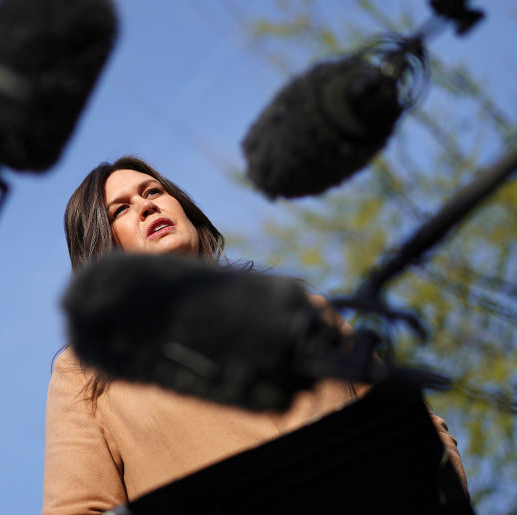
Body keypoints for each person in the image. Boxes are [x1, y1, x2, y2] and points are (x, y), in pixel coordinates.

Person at [42, 156, 467, 514]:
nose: (146, 206)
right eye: (121, 209)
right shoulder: (86, 371)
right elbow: (80, 509)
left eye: (153, 192)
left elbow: (415, 425)